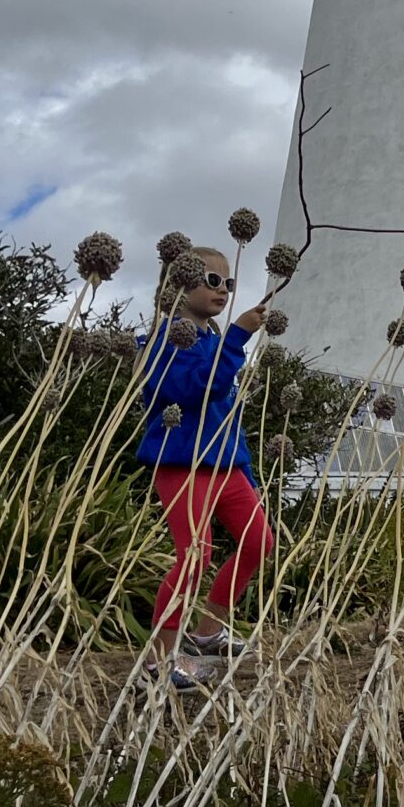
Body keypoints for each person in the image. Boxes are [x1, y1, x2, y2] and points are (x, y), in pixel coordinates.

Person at [137, 245, 271, 690]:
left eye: (228, 282)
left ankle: (209, 632)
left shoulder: (214, 342)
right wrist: (237, 337)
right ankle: (158, 664)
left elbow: (226, 415)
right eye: (212, 281)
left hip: (227, 465)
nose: (223, 290)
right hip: (182, 464)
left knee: (258, 542)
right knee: (195, 556)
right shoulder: (163, 341)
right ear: (180, 283)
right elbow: (194, 391)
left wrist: (247, 473)